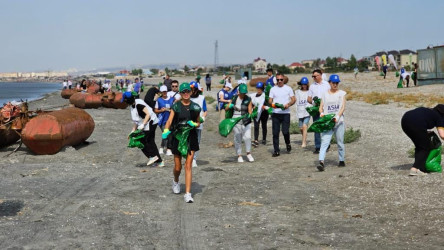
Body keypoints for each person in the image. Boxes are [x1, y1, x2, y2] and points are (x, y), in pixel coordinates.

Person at [162, 83, 201, 203]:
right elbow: (169, 120)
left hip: (190, 136)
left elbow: (198, 122)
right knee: (178, 167)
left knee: (188, 165)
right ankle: (175, 181)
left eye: (187, 91)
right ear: (180, 93)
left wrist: (194, 124)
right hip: (178, 137)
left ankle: (188, 194)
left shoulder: (196, 107)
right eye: (183, 92)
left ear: (191, 92)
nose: (185, 94)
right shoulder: (176, 106)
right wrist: (166, 130)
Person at [122, 92, 164, 167]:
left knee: (144, 140)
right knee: (149, 141)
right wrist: (132, 131)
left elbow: (148, 114)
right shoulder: (133, 106)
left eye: (125, 101)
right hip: (145, 123)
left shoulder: (138, 104)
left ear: (128, 100)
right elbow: (136, 121)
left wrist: (143, 124)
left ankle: (153, 157)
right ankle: (158, 161)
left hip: (151, 121)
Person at [401, 104, 444, 176]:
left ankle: (420, 167)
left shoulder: (429, 111)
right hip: (417, 124)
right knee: (425, 148)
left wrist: (423, 131)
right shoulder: (440, 117)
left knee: (419, 145)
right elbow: (442, 135)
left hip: (405, 120)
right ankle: (415, 169)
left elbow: (421, 119)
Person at [316, 74, 346, 171]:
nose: (335, 85)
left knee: (340, 142)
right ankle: (321, 161)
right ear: (329, 83)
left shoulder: (342, 93)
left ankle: (341, 159)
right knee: (325, 141)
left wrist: (337, 116)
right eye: (333, 83)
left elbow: (343, 107)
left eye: (337, 83)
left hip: (338, 122)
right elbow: (321, 107)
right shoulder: (325, 94)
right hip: (328, 122)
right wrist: (321, 113)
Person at [268, 73, 296, 157]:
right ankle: (276, 150)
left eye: (281, 79)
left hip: (285, 113)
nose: (279, 81)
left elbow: (293, 99)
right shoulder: (273, 89)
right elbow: (269, 100)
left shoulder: (288, 88)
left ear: (284, 79)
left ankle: (288, 143)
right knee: (275, 133)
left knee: (285, 131)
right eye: (278, 80)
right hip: (276, 113)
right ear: (276, 80)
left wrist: (289, 104)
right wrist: (273, 104)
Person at [226, 84, 254, 162]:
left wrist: (250, 115)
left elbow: (250, 110)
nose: (243, 94)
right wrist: (230, 105)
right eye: (242, 93)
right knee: (237, 138)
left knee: (248, 137)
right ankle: (239, 155)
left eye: (244, 93)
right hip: (236, 121)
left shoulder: (248, 99)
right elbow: (226, 108)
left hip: (246, 121)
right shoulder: (234, 98)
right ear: (239, 92)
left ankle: (248, 153)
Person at [307, 69, 331, 154]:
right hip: (316, 109)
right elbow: (308, 99)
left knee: (325, 127)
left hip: (325, 109)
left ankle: (326, 145)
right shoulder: (312, 86)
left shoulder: (327, 85)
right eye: (312, 76)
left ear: (320, 75)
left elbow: (331, 95)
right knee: (316, 127)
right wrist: (314, 102)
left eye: (315, 76)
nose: (314, 78)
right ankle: (317, 146)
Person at [190, 81, 208, 167]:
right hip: (189, 123)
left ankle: (194, 159)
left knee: (197, 141)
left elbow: (205, 110)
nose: (191, 90)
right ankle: (189, 157)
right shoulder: (187, 98)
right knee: (188, 141)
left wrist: (203, 118)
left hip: (198, 122)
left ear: (196, 90)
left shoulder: (201, 98)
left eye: (193, 89)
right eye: (190, 89)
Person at [154, 85, 174, 156]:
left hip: (170, 119)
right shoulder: (158, 100)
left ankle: (162, 148)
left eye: (165, 91)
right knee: (166, 133)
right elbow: (155, 110)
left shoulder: (172, 99)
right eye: (163, 92)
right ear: (161, 92)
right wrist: (161, 110)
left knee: (168, 133)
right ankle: (168, 149)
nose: (164, 93)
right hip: (162, 120)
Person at [250, 81, 269, 146]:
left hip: (264, 113)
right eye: (257, 88)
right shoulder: (254, 96)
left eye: (260, 89)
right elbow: (251, 103)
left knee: (264, 126)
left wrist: (265, 106)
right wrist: (253, 107)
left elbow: (268, 104)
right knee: (256, 126)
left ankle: (264, 139)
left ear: (262, 89)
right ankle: (256, 140)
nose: (258, 90)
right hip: (257, 113)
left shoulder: (265, 96)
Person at [295, 77, 311, 148]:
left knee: (305, 126)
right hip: (300, 112)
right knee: (301, 128)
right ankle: (305, 135)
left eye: (305, 84)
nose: (304, 86)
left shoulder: (310, 92)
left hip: (307, 112)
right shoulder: (297, 92)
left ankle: (304, 142)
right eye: (302, 84)